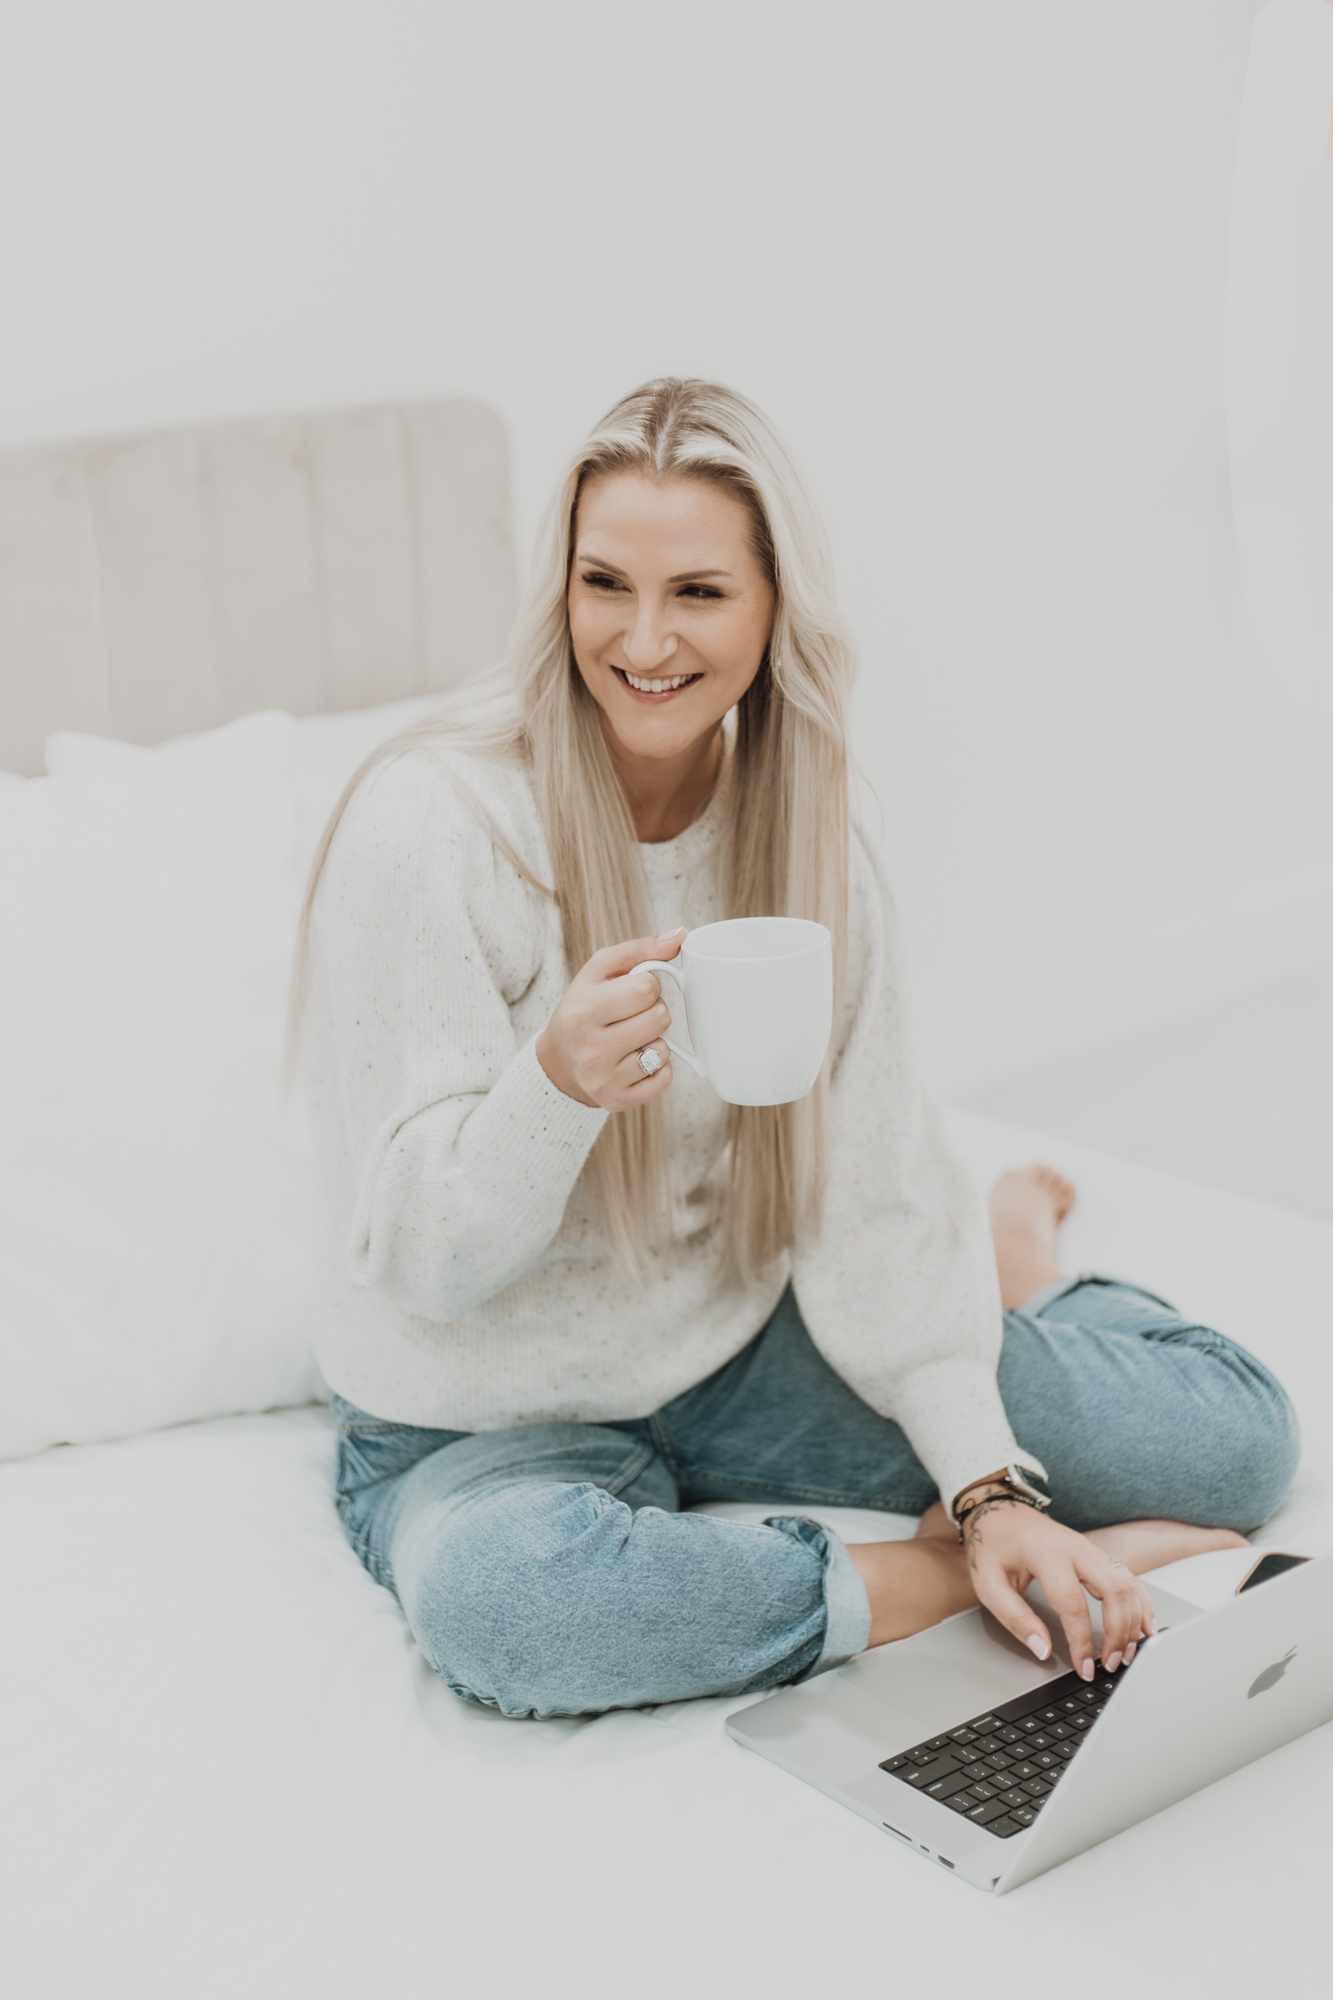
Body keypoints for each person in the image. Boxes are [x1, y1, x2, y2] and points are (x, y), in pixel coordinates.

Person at [299, 378, 1298, 1720]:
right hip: (474, 1423)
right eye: (606, 584)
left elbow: (862, 1191)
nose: (643, 639)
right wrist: (551, 1088)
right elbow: (421, 1261)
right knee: (520, 1616)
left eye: (698, 592)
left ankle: (1007, 1277)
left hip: (730, 1348)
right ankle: (937, 1574)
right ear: (561, 593)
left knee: (1232, 1444)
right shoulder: (435, 826)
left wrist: (989, 1478)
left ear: (772, 609)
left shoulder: (805, 843)